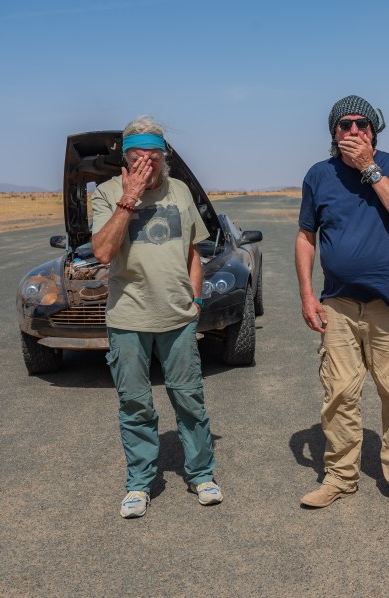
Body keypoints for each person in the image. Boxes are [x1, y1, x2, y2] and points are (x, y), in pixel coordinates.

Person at [295, 95, 389, 515]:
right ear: (333, 133)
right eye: (345, 125)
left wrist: (370, 169)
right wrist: (305, 294)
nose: (353, 131)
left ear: (374, 131)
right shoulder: (319, 175)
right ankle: (340, 477)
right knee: (338, 394)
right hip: (337, 304)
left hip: (387, 303)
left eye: (361, 125)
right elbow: (305, 237)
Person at [92, 116, 223, 518]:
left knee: (190, 400)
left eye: (154, 155)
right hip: (128, 317)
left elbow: (192, 253)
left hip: (178, 317)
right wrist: (128, 201)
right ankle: (139, 483)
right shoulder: (106, 193)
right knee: (134, 404)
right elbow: (102, 252)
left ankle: (201, 474)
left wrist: (196, 302)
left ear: (164, 157)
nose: (147, 162)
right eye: (138, 155)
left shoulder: (180, 190)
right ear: (125, 158)